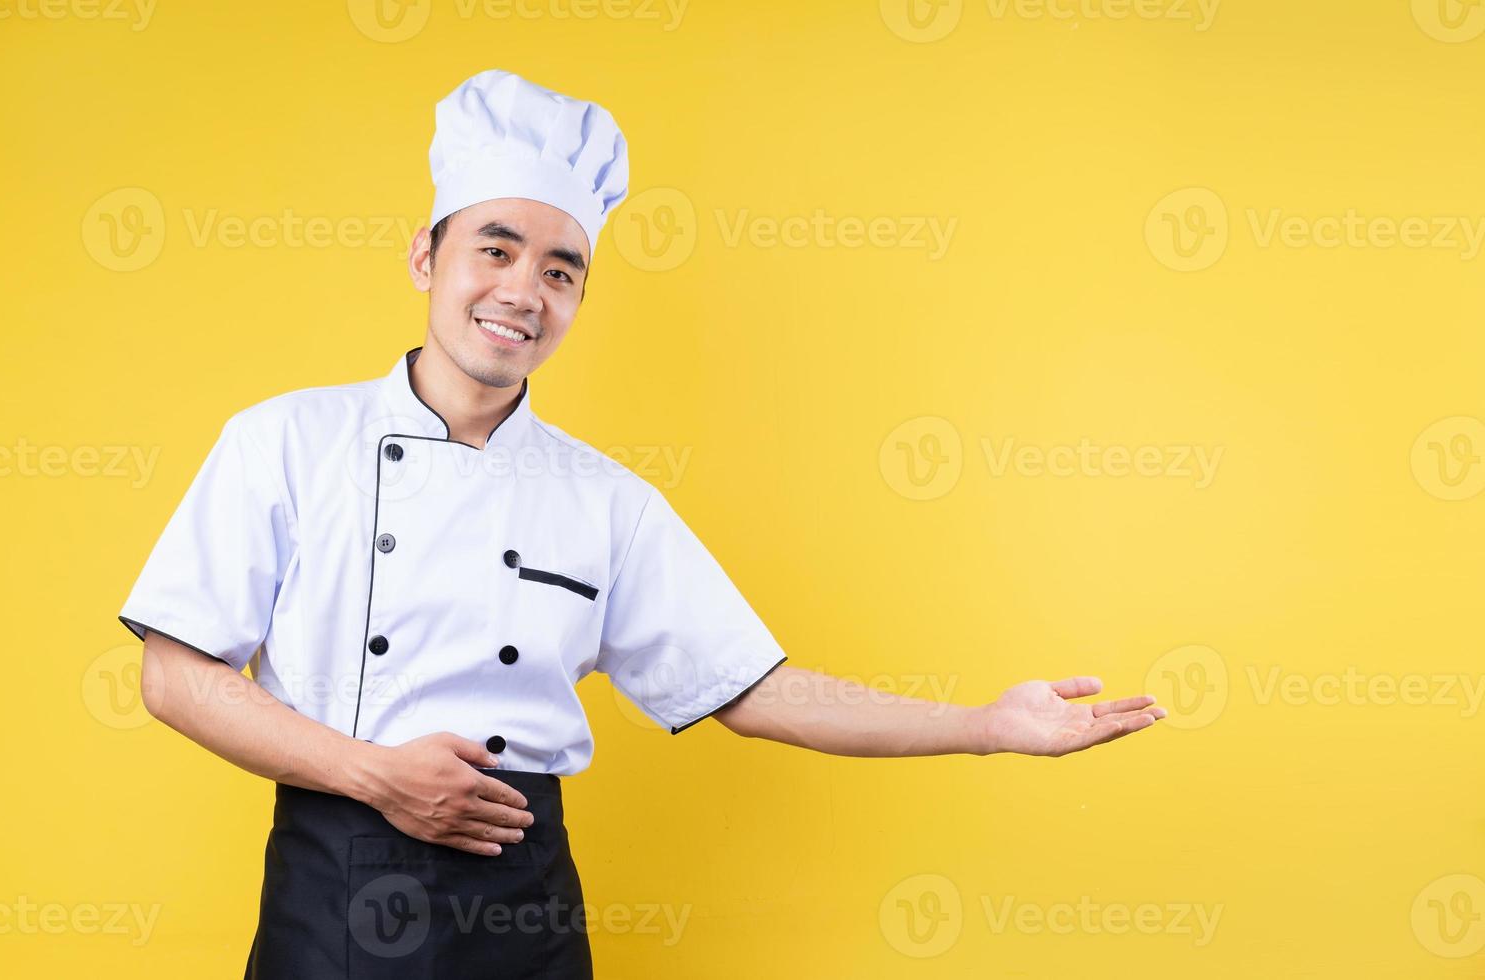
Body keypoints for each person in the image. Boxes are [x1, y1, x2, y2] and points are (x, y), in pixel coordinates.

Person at [118, 68, 1166, 979]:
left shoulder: (606, 500)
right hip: (337, 877)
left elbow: (756, 690)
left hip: (522, 898)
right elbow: (175, 673)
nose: (524, 289)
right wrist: (372, 773)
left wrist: (986, 724)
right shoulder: (285, 442)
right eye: (496, 246)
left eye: (560, 268)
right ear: (423, 259)